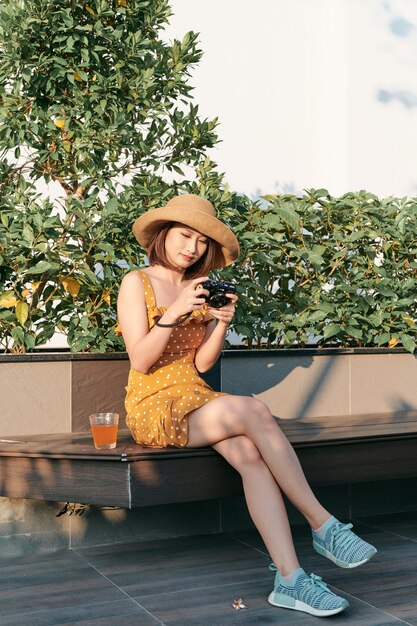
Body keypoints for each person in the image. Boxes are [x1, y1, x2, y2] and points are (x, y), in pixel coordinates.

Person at [117, 193, 377, 618]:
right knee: (255, 411)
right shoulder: (137, 282)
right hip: (153, 403)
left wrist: (221, 325)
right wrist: (174, 311)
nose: (192, 248)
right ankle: (322, 525)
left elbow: (201, 364)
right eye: (185, 236)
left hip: (196, 397)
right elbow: (141, 360)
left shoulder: (197, 288)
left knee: (251, 457)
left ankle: (291, 580)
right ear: (163, 234)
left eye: (202, 242)